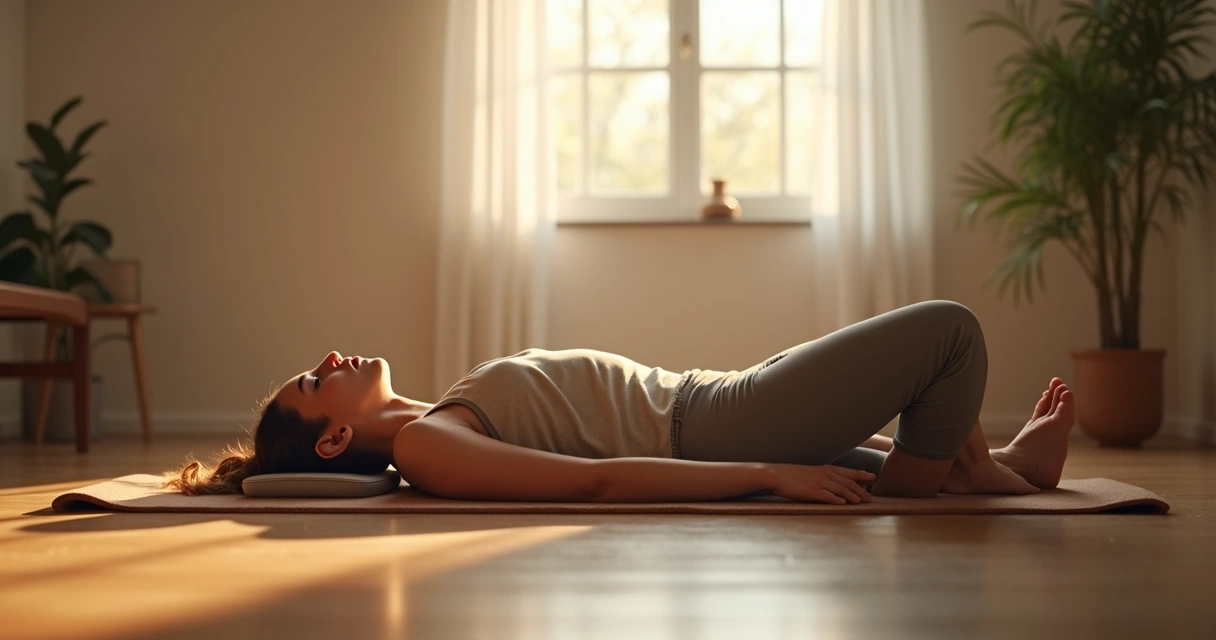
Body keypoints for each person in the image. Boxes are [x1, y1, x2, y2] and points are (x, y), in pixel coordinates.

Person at [165, 300, 1075, 504]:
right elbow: (593, 484)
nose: (329, 358)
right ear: (332, 441)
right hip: (715, 427)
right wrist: (764, 470)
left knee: (891, 422)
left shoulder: (440, 411)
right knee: (949, 334)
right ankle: (940, 482)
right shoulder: (427, 448)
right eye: (315, 380)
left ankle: (998, 475)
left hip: (710, 399)